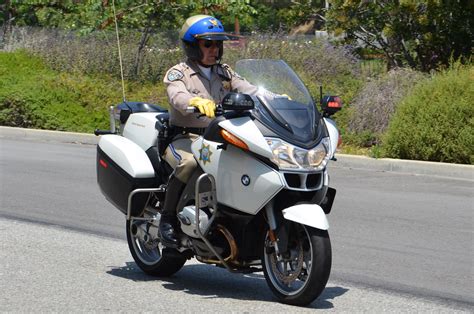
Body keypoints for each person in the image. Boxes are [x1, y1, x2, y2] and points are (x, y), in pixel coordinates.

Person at [159, 15, 258, 247]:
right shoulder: (178, 73)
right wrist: (195, 101)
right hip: (185, 137)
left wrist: (276, 99)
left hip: (219, 137)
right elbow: (177, 96)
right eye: (208, 44)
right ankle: (168, 218)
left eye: (217, 44)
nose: (215, 49)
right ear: (193, 46)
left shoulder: (224, 72)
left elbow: (249, 89)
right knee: (190, 164)